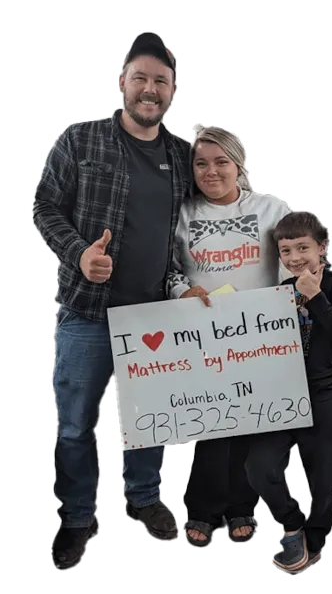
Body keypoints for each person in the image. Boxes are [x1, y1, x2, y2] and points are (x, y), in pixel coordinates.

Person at [33, 31, 192, 570]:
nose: (151, 89)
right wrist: (79, 254)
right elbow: (46, 207)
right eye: (141, 78)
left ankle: (143, 497)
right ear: (123, 82)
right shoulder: (79, 140)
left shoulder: (181, 154)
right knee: (76, 424)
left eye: (161, 82)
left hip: (155, 315)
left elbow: (209, 220)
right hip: (86, 314)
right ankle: (77, 516)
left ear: (172, 91)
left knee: (151, 419)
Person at [166, 124, 291, 547]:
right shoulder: (182, 212)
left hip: (262, 336)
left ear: (239, 166)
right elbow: (167, 269)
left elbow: (295, 261)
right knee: (212, 426)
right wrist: (183, 289)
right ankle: (201, 508)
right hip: (203, 336)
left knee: (250, 429)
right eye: (201, 163)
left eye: (221, 162)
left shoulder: (272, 210)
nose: (211, 171)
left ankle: (241, 507)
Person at [244, 211, 332, 573]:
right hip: (285, 394)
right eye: (286, 250)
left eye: (303, 248)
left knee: (324, 482)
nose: (295, 257)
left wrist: (317, 296)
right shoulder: (280, 291)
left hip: (329, 395)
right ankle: (293, 525)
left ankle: (316, 537)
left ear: (321, 248)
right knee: (259, 467)